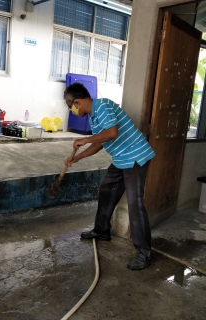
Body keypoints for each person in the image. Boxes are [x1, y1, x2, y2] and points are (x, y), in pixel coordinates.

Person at [63, 83, 156, 271]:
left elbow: (111, 133)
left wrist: (85, 139)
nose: (71, 110)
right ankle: (101, 231)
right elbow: (101, 142)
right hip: (121, 158)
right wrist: (78, 157)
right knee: (107, 190)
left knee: (135, 204)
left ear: (77, 102)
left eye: (69, 106)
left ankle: (144, 253)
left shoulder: (103, 106)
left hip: (135, 156)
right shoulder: (93, 118)